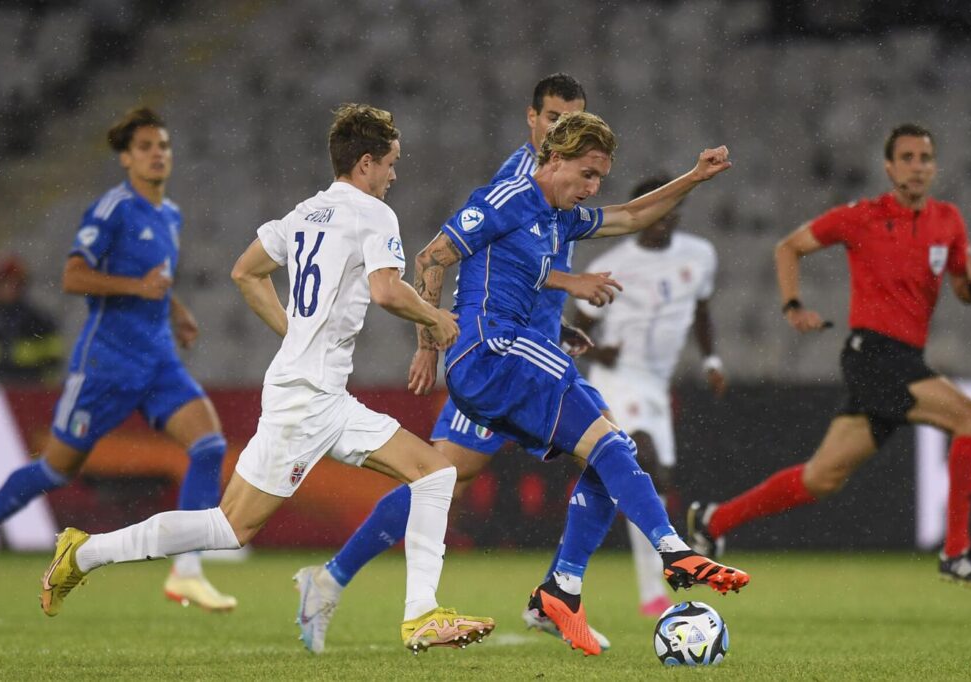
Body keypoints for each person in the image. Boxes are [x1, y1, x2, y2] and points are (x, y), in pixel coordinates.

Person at [38, 103, 496, 654]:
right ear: (368, 163)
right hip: (308, 400)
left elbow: (245, 271)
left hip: (320, 392)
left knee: (433, 474)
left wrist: (293, 331)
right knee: (231, 528)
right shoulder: (374, 214)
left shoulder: (306, 212)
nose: (395, 176)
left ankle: (421, 613)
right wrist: (436, 317)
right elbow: (386, 290)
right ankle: (84, 554)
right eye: (392, 164)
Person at [408, 111, 751, 656]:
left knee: (612, 450)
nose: (591, 189)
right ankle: (672, 549)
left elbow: (633, 214)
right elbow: (432, 256)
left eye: (599, 179)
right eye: (586, 174)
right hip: (491, 351)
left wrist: (693, 177)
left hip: (509, 360)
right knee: (612, 443)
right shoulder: (506, 198)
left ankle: (562, 588)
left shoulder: (557, 216)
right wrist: (429, 342)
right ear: (556, 159)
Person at [306, 73, 620, 654]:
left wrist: (558, 321)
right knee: (448, 474)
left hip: (532, 346)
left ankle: (558, 591)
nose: (560, 128)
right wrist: (429, 340)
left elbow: (534, 263)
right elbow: (477, 256)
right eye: (552, 117)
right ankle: (335, 578)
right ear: (532, 119)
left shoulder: (570, 176)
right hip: (502, 355)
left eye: (571, 117)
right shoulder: (520, 179)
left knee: (457, 473)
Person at [688, 123, 971, 589]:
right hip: (872, 354)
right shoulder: (863, 217)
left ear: (935, 167)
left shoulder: (948, 221)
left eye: (926, 158)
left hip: (904, 360)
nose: (918, 167)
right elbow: (788, 246)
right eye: (908, 158)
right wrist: (793, 305)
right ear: (889, 167)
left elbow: (962, 287)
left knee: (821, 479)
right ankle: (956, 551)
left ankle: (713, 521)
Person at [0, 108, 235, 611]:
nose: (157, 153)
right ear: (126, 157)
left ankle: (186, 572)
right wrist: (137, 288)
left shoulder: (171, 214)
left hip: (159, 362)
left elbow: (157, 278)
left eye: (162, 144)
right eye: (145, 146)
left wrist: (178, 311)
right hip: (107, 364)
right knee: (56, 469)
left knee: (209, 446)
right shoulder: (112, 209)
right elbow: (74, 276)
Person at [573, 182, 726, 616]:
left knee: (656, 483)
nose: (666, 221)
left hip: (657, 383)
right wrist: (599, 350)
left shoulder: (699, 256)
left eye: (672, 211)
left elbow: (701, 309)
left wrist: (711, 359)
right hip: (619, 379)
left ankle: (648, 588)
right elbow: (575, 321)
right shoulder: (614, 265)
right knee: (644, 459)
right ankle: (657, 586)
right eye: (656, 212)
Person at [0, 253, 64, 385]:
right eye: (3, 282)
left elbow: (53, 365)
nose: (9, 288)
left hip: (29, 396)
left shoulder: (40, 321)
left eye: (14, 282)